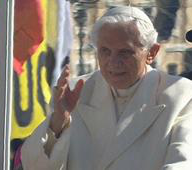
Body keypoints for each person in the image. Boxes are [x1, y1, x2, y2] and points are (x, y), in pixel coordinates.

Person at [21, 6, 192, 170]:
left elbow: (182, 161)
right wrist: (58, 120)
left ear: (151, 53)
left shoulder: (180, 94)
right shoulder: (77, 91)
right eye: (105, 51)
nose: (113, 62)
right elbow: (33, 165)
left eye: (125, 52)